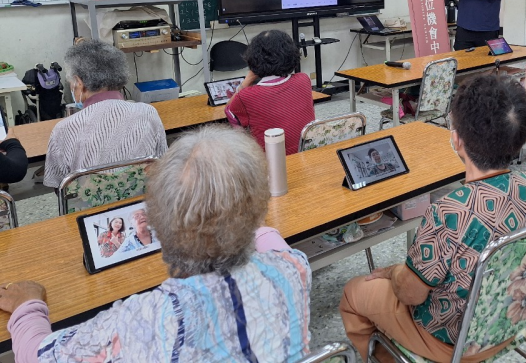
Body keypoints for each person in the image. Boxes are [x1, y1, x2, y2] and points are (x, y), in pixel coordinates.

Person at [0, 125, 311, 363]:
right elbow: (269, 239)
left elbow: (43, 356)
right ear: (258, 205)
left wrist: (28, 307)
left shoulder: (144, 319)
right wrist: (238, 217)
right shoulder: (294, 266)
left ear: (158, 220)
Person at [340, 75, 526, 362]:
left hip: (454, 341)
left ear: (457, 139)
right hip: (510, 323)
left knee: (353, 293)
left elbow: (411, 294)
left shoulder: (450, 211)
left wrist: (392, 271)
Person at [43, 40, 167, 188]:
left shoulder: (63, 129)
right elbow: (161, 166)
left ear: (78, 82)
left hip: (87, 210)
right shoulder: (148, 113)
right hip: (139, 205)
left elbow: (57, 185)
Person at [225, 30, 315, 154]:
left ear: (253, 58)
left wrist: (247, 80)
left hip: (270, 160)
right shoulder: (303, 79)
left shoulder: (247, 96)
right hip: (306, 153)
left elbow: (229, 110)